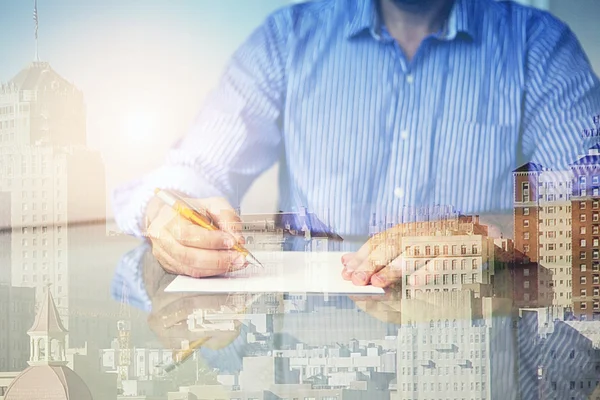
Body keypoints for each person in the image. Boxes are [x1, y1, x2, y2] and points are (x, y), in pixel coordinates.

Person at [113, 0, 600, 287]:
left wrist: (488, 233)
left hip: (478, 341)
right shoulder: (289, 39)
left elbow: (592, 206)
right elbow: (196, 168)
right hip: (311, 360)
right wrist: (168, 213)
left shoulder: (539, 46)